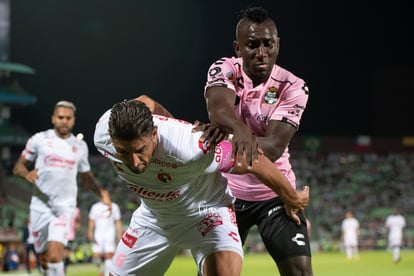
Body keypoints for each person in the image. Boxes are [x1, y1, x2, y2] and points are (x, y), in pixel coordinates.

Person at [93, 99, 309, 276]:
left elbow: (255, 159)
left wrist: (291, 197)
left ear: (155, 134)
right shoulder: (103, 134)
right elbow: (144, 101)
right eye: (123, 153)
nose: (133, 162)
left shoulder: (190, 147)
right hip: (154, 220)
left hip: (206, 214)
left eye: (140, 150)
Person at [201, 6, 312, 275]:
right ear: (238, 48)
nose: (261, 52)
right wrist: (239, 130)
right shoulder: (223, 68)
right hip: (225, 194)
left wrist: (227, 135)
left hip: (274, 193)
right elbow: (218, 109)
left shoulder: (293, 86)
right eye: (252, 45)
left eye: (268, 44)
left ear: (278, 45)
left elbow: (272, 148)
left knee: (300, 271)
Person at [13, 100, 112, 276]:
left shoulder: (80, 146)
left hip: (64, 207)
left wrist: (102, 192)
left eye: (68, 118)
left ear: (73, 120)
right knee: (44, 259)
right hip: (39, 206)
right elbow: (18, 167)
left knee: (54, 255)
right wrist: (25, 174)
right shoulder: (39, 139)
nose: (64, 121)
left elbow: (86, 176)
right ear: (53, 119)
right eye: (60, 117)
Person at [88, 200, 123, 276]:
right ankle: (101, 270)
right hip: (98, 234)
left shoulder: (114, 206)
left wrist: (119, 234)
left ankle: (107, 274)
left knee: (109, 254)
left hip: (110, 233)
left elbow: (118, 221)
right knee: (96, 255)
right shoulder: (95, 207)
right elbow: (91, 220)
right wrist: (90, 231)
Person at [63, 206, 81, 273]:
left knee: (65, 254)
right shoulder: (61, 207)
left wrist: (77, 225)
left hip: (70, 236)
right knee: (61, 255)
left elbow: (78, 220)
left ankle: (63, 270)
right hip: (60, 235)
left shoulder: (76, 210)